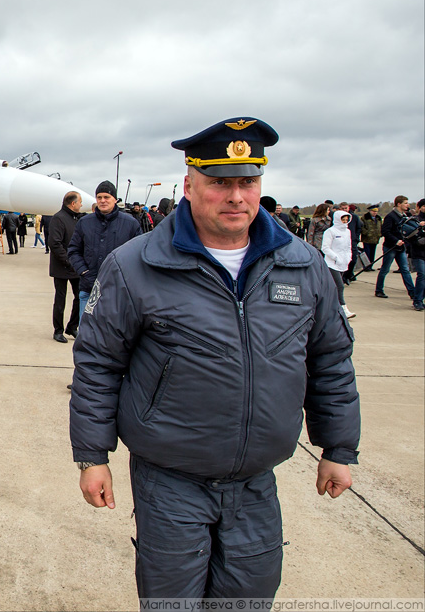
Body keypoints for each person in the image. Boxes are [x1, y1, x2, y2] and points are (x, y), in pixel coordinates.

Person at [71, 117, 359, 602]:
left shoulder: (302, 264)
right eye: (220, 182)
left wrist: (338, 448)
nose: (236, 197)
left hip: (256, 482)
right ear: (189, 186)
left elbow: (330, 360)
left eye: (247, 182)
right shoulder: (135, 265)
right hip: (170, 480)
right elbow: (98, 365)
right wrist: (92, 456)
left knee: (249, 596)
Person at [67, 180, 140, 324]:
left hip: (118, 291)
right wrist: (84, 272)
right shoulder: (84, 222)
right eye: (99, 197)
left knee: (115, 332)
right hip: (89, 288)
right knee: (86, 332)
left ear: (114, 199)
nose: (102, 200)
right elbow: (74, 250)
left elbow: (138, 255)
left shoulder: (130, 224)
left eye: (106, 197)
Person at [48, 191, 83, 342]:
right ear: (73, 203)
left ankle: (72, 327)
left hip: (75, 267)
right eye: (80, 202)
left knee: (80, 297)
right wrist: (69, 261)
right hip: (62, 267)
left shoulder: (76, 218)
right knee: (60, 299)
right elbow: (54, 243)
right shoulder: (59, 218)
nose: (81, 204)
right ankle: (58, 330)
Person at [375, 195, 416, 299]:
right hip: (390, 247)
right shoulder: (390, 216)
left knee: (405, 270)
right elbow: (385, 231)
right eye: (405, 203)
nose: (407, 205)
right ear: (398, 204)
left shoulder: (404, 216)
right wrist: (396, 241)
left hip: (401, 248)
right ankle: (379, 290)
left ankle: (412, 292)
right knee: (385, 269)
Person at [323, 210, 356, 318]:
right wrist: (335, 257)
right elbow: (325, 248)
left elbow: (348, 246)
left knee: (333, 287)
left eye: (346, 220)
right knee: (340, 286)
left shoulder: (347, 232)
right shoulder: (330, 231)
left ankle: (330, 308)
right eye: (343, 219)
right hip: (332, 263)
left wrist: (348, 258)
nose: (345, 222)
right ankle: (343, 308)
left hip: (343, 263)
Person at [406, 198, 425, 311]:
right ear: (419, 207)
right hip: (418, 252)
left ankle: (421, 299)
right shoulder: (414, 220)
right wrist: (419, 227)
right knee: (422, 275)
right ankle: (417, 300)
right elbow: (408, 237)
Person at [342, 204, 363, 284]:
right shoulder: (338, 217)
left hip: (352, 241)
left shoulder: (354, 217)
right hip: (342, 241)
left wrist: (356, 237)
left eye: (346, 208)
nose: (344, 210)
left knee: (353, 259)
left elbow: (359, 227)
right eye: (343, 208)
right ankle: (343, 276)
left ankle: (348, 274)